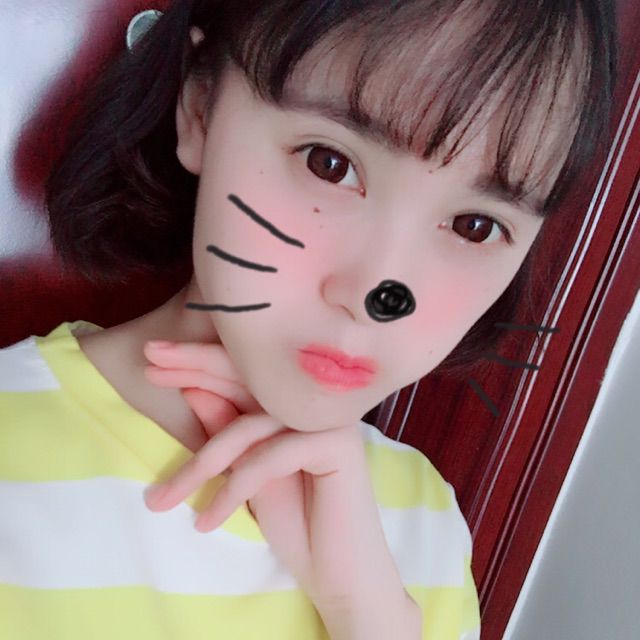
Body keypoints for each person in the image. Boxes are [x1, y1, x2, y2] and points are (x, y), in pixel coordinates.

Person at [0, 1, 617, 638]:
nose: (378, 293)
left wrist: (370, 620)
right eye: (329, 163)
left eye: (475, 226)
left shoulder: (425, 522)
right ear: (201, 106)